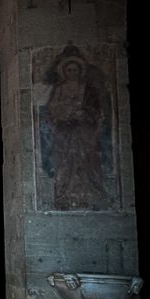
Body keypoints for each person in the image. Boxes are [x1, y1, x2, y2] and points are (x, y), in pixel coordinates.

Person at [42, 53, 111, 210]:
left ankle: (92, 197)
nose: (72, 73)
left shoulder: (88, 90)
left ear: (80, 71)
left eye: (75, 70)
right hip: (65, 131)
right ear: (64, 72)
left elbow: (96, 110)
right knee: (66, 163)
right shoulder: (59, 89)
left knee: (88, 161)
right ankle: (65, 197)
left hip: (84, 131)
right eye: (69, 70)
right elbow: (51, 109)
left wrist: (83, 113)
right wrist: (64, 112)